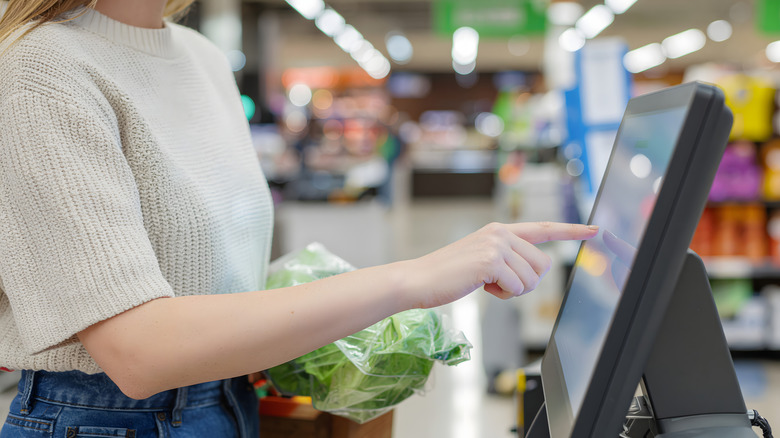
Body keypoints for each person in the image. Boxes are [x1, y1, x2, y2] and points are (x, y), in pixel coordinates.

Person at [0, 0, 599, 436]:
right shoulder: (38, 72)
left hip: (232, 399)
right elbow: (138, 353)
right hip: (102, 419)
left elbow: (209, 277)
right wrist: (406, 281)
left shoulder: (201, 58)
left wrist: (328, 328)